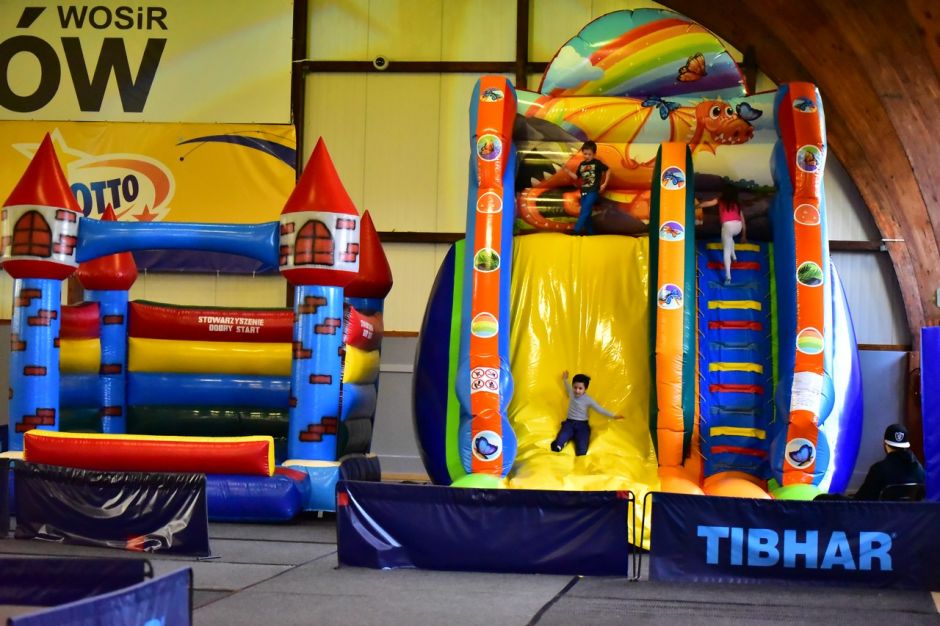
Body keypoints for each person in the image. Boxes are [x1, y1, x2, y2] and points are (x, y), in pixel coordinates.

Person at [551, 371, 622, 456]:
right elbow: (567, 386)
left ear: (585, 389)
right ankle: (560, 445)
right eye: (575, 387)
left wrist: (613, 415)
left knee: (582, 450)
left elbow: (600, 409)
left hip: (582, 425)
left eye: (580, 388)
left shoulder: (588, 400)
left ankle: (578, 447)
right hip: (569, 423)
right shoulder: (571, 393)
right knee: (561, 438)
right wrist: (565, 379)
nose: (577, 390)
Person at [852, 424, 926, 500]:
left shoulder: (878, 469)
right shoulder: (919, 470)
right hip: (912, 508)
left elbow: (862, 500)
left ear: (885, 445)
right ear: (906, 446)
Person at [696, 184, 747, 285]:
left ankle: (728, 276)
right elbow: (743, 219)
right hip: (738, 226)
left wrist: (696, 206)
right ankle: (734, 256)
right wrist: (744, 235)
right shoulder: (737, 203)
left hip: (728, 226)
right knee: (729, 238)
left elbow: (708, 203)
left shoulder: (720, 200)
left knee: (726, 249)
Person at [564, 141, 610, 235]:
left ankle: (576, 230)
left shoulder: (597, 163)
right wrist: (567, 171)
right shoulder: (582, 164)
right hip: (584, 191)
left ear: (594, 154)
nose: (587, 156)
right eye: (585, 154)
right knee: (587, 213)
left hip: (593, 191)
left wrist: (605, 183)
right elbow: (576, 177)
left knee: (584, 210)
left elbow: (608, 169)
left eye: (589, 154)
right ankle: (591, 232)